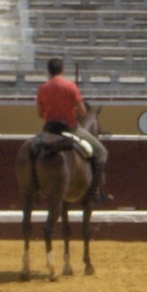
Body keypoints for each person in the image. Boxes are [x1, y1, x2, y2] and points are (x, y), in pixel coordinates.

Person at [36, 57, 110, 201]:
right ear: (62, 70)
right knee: (102, 152)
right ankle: (94, 193)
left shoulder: (42, 88)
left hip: (49, 130)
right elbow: (82, 112)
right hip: (70, 129)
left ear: (49, 71)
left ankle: (36, 189)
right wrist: (72, 108)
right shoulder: (70, 86)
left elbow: (40, 114)